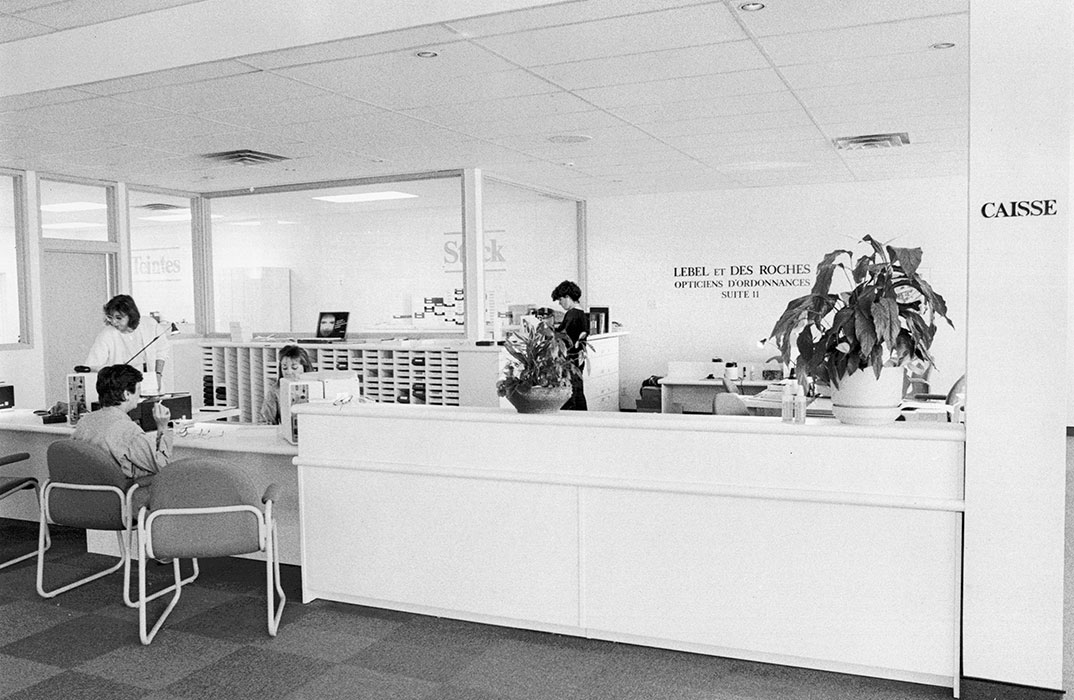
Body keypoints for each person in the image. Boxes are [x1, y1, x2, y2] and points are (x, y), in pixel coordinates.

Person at [72, 364, 172, 482]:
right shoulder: (128, 430)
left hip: (87, 494)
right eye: (138, 391)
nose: (139, 396)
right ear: (127, 394)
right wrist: (162, 427)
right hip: (121, 494)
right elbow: (163, 467)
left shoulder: (83, 423)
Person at [84, 294, 171, 395]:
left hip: (149, 383)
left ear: (130, 315)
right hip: (122, 388)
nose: (114, 322)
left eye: (118, 318)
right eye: (110, 317)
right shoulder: (106, 334)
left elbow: (161, 351)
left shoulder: (149, 325)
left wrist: (158, 374)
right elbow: (93, 364)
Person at [551, 280, 588, 411]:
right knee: (578, 391)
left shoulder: (571, 314)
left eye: (560, 300)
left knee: (569, 393)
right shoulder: (581, 313)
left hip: (570, 359)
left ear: (567, 297)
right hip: (579, 358)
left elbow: (561, 335)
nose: (560, 304)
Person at [259, 345, 313, 425]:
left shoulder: (316, 388)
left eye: (294, 367)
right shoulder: (275, 391)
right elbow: (265, 421)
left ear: (305, 367)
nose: (288, 372)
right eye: (284, 368)